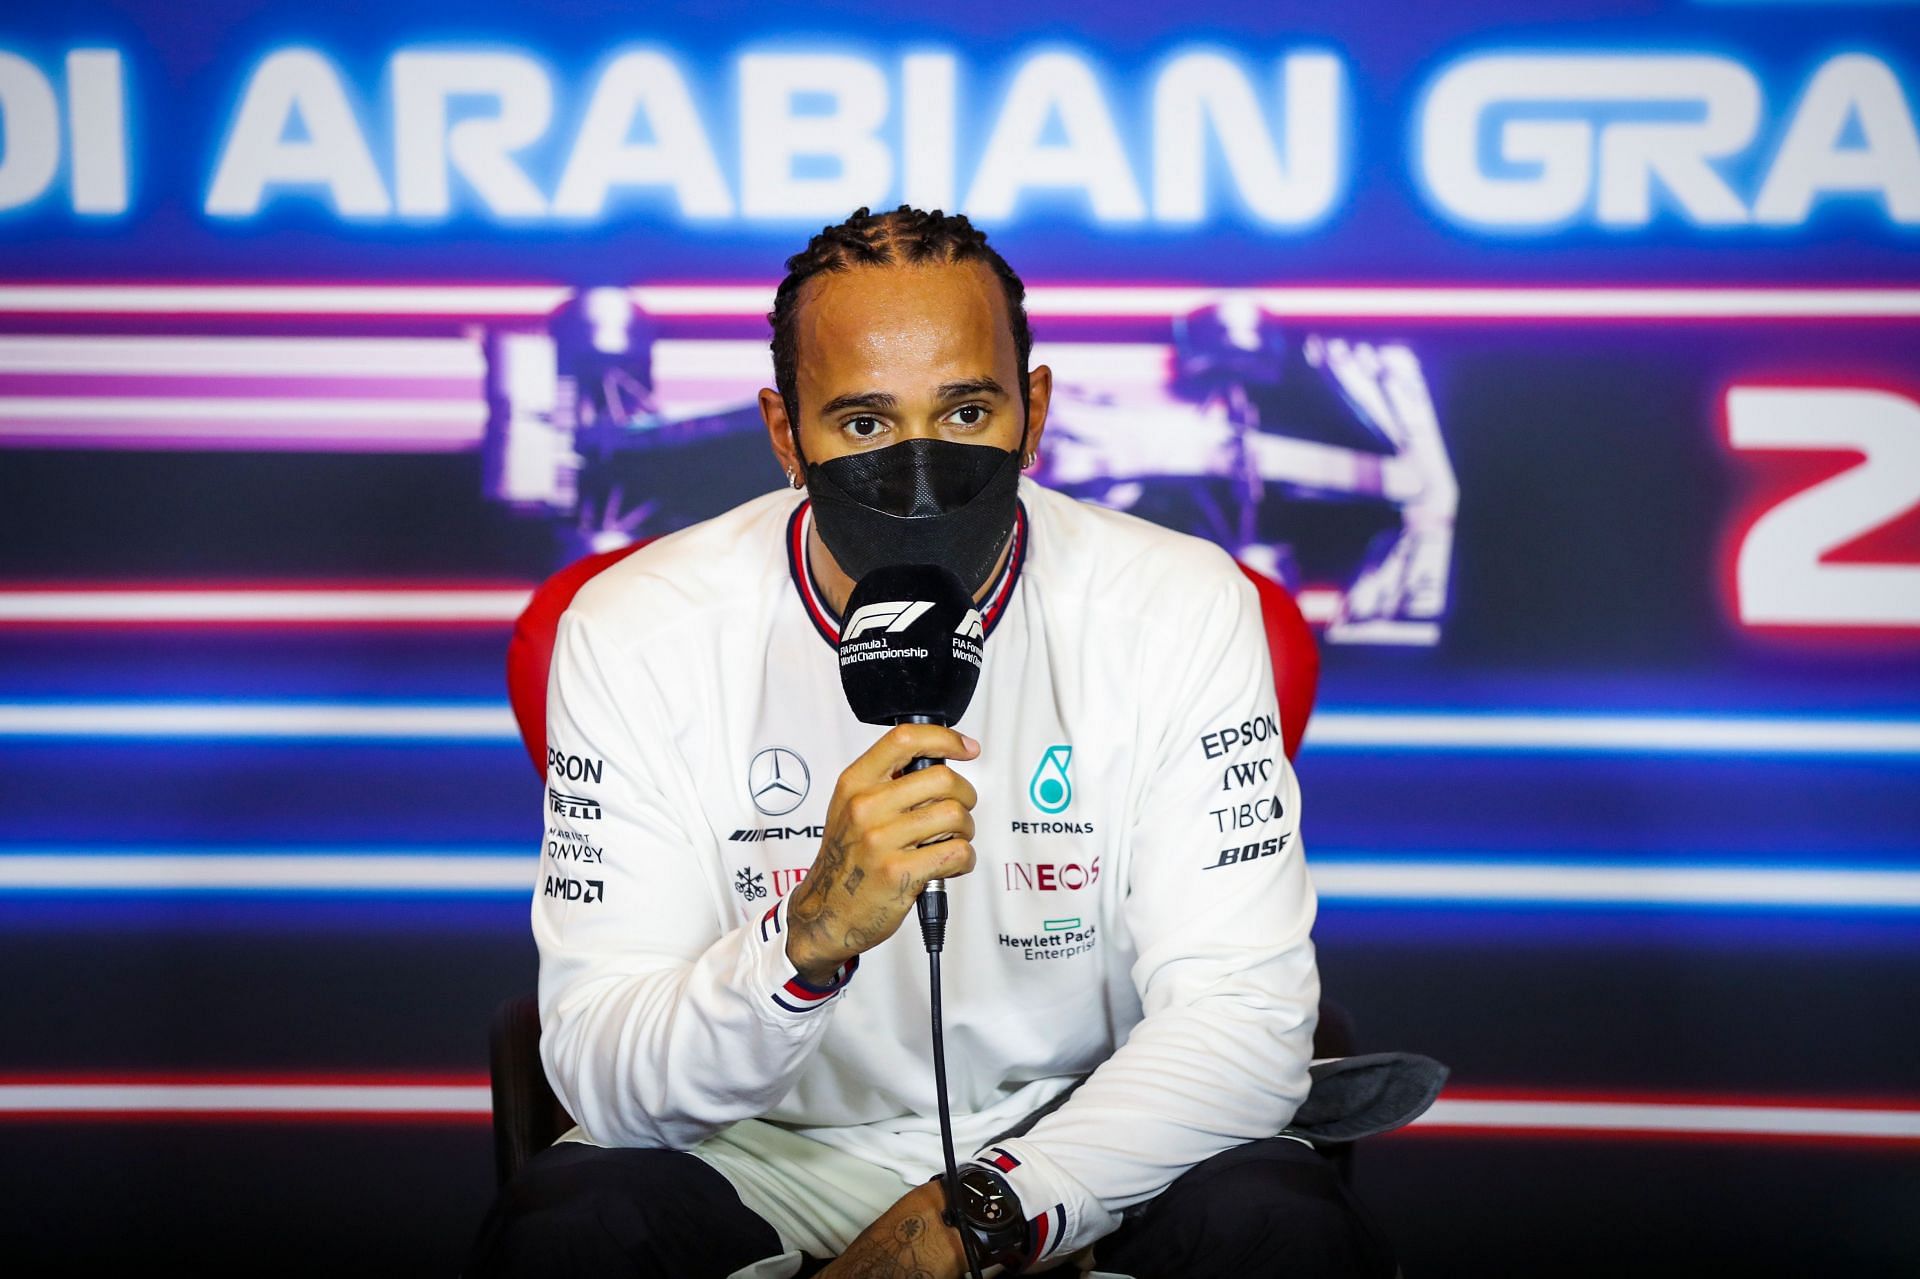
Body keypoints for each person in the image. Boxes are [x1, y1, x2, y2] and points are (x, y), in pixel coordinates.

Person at [469, 206, 1396, 1278]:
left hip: (1092, 1124)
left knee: (1284, 1231)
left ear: (1032, 410)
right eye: (862, 423)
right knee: (568, 1232)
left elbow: (1243, 1019)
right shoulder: (633, 631)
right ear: (785, 434)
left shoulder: (1180, 606)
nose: (916, 469)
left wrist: (981, 1215)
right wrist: (803, 941)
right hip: (766, 1155)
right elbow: (606, 1076)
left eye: (964, 411)